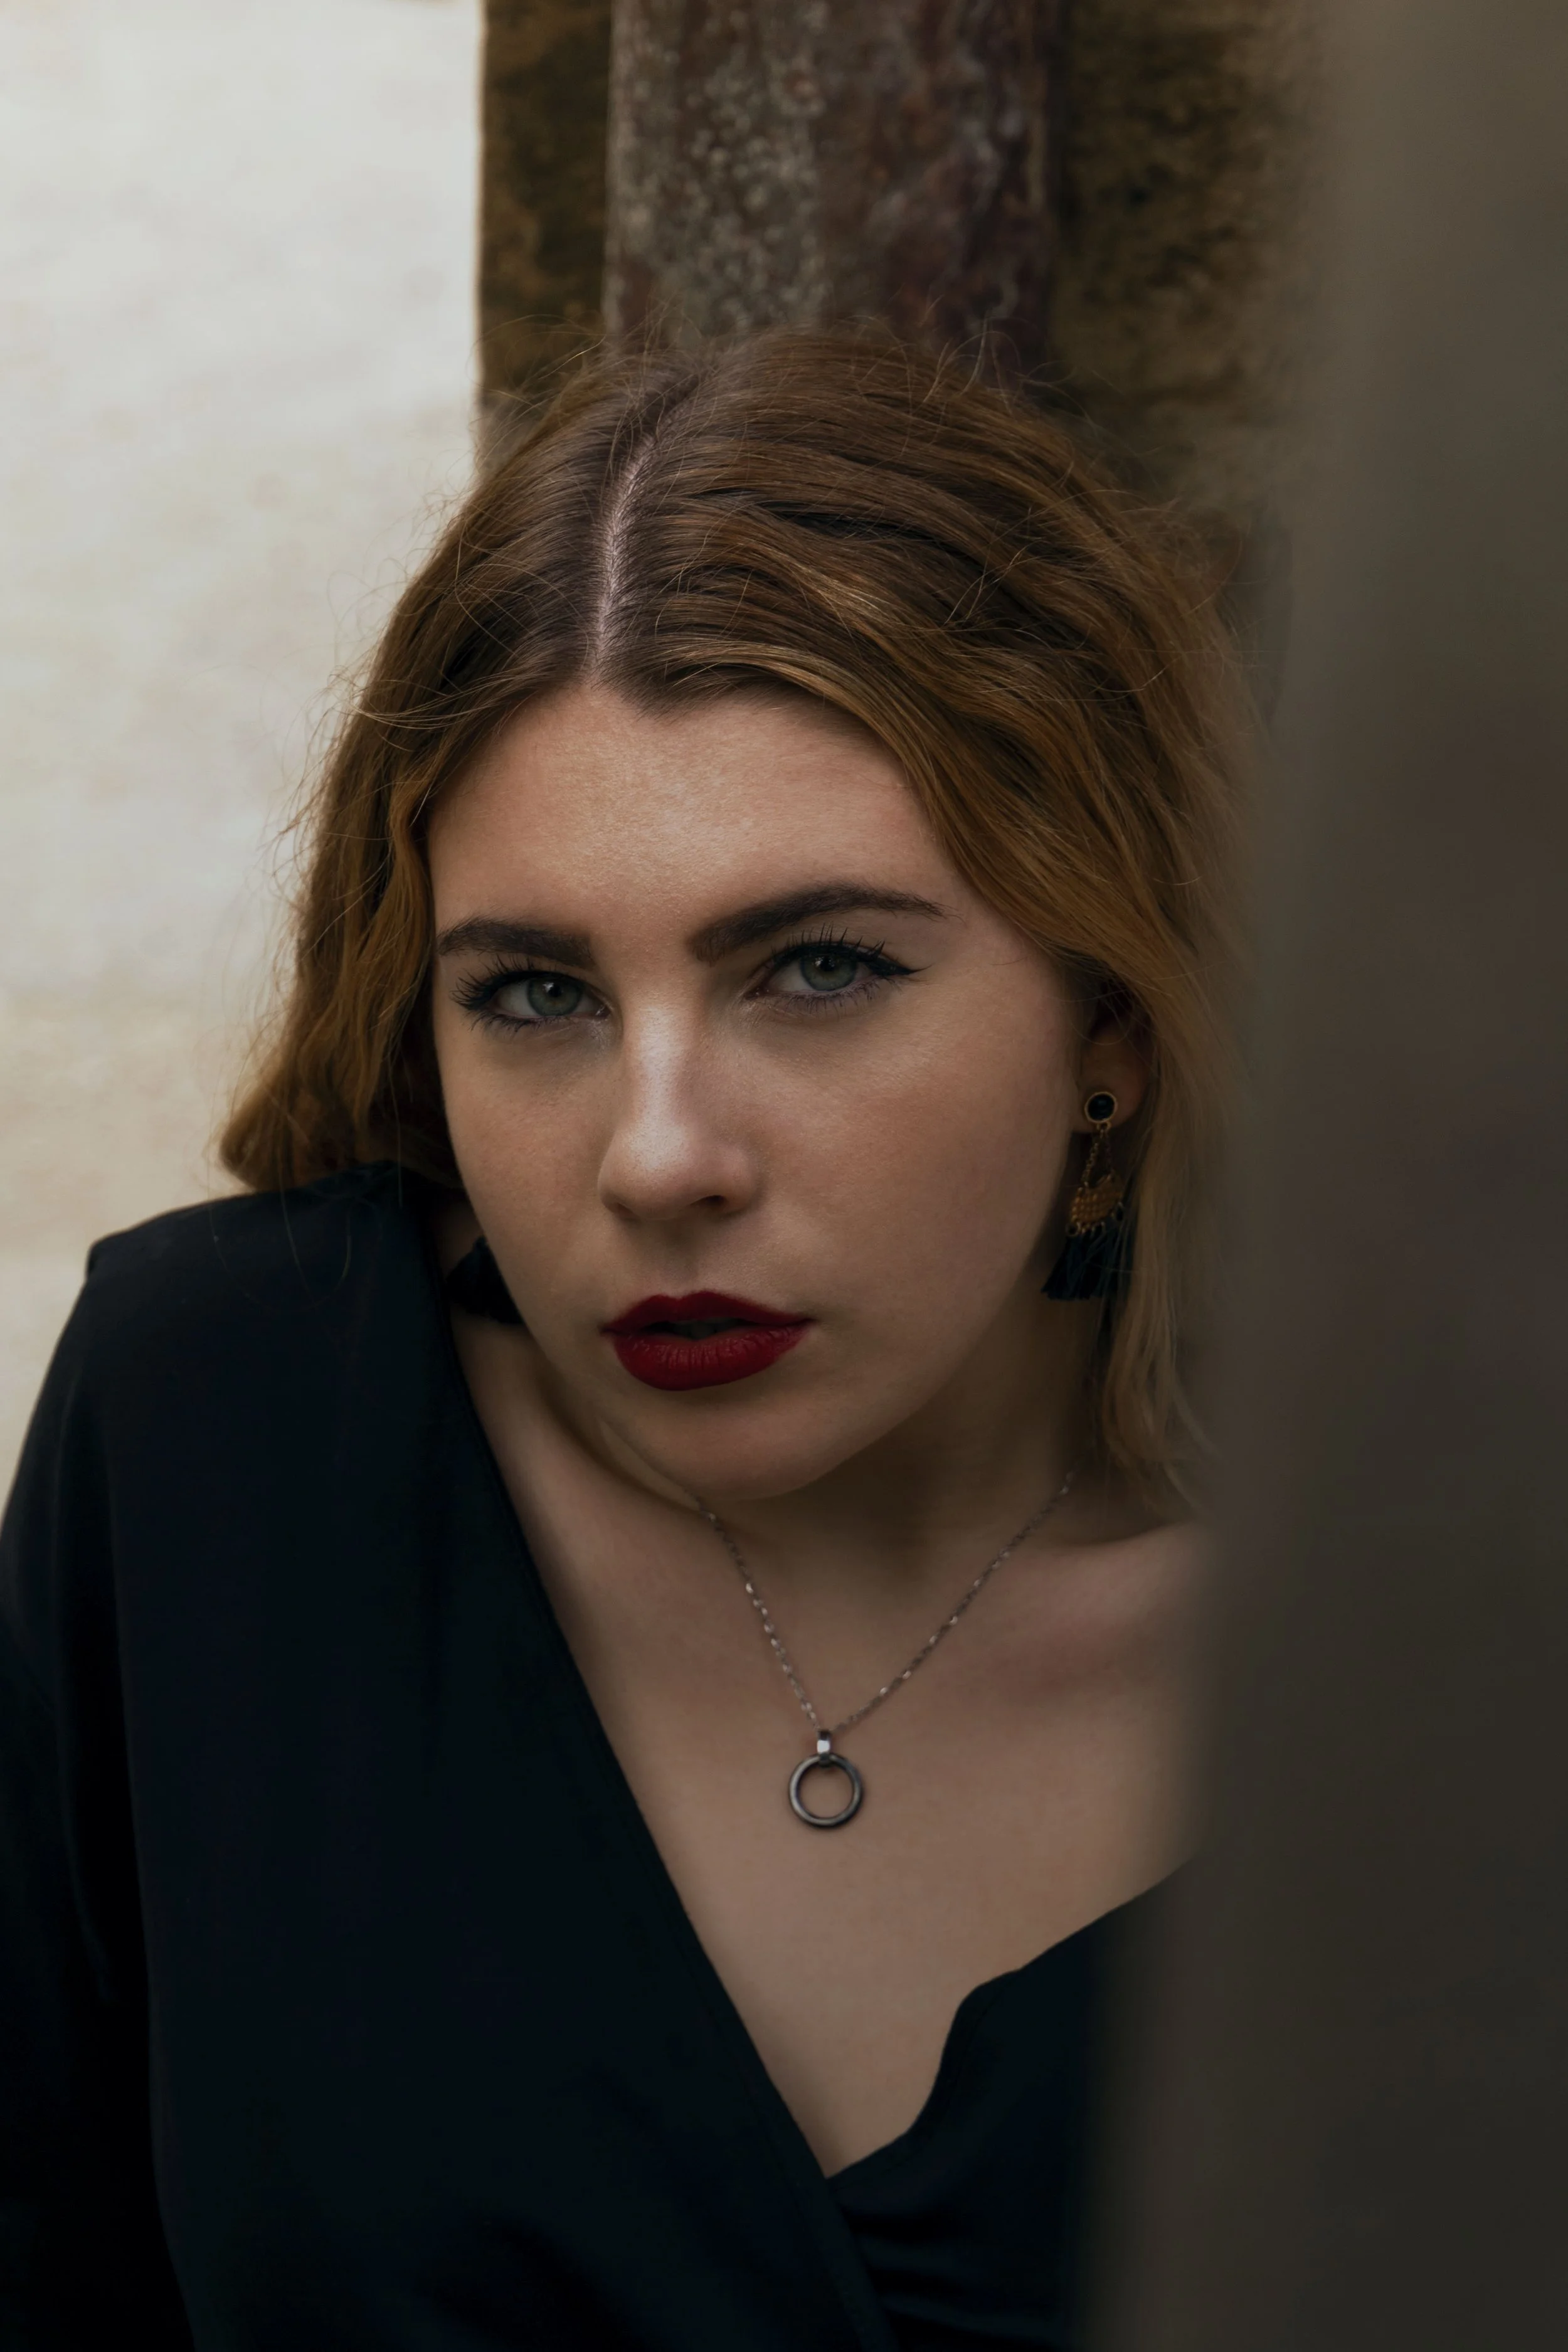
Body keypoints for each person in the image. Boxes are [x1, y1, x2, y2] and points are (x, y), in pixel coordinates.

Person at [0, 332, 1241, 2349]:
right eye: (536, 996)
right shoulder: (224, 1433)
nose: (659, 1156)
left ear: (1108, 1022)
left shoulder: (1444, 1644)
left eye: (816, 968)